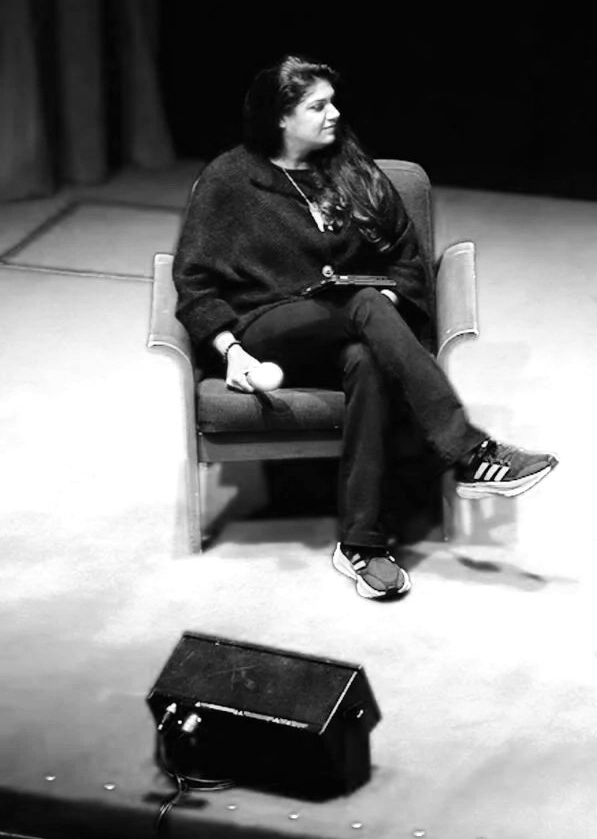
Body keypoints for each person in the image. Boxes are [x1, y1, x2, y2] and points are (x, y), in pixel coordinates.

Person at [173, 57, 558, 600]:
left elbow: (406, 256)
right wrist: (230, 349)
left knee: (367, 356)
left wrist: (392, 293)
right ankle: (470, 453)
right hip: (263, 330)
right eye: (318, 105)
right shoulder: (229, 179)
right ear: (281, 117)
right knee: (363, 306)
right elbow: (194, 282)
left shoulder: (350, 167)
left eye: (333, 100)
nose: (335, 113)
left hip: (349, 325)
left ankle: (362, 543)